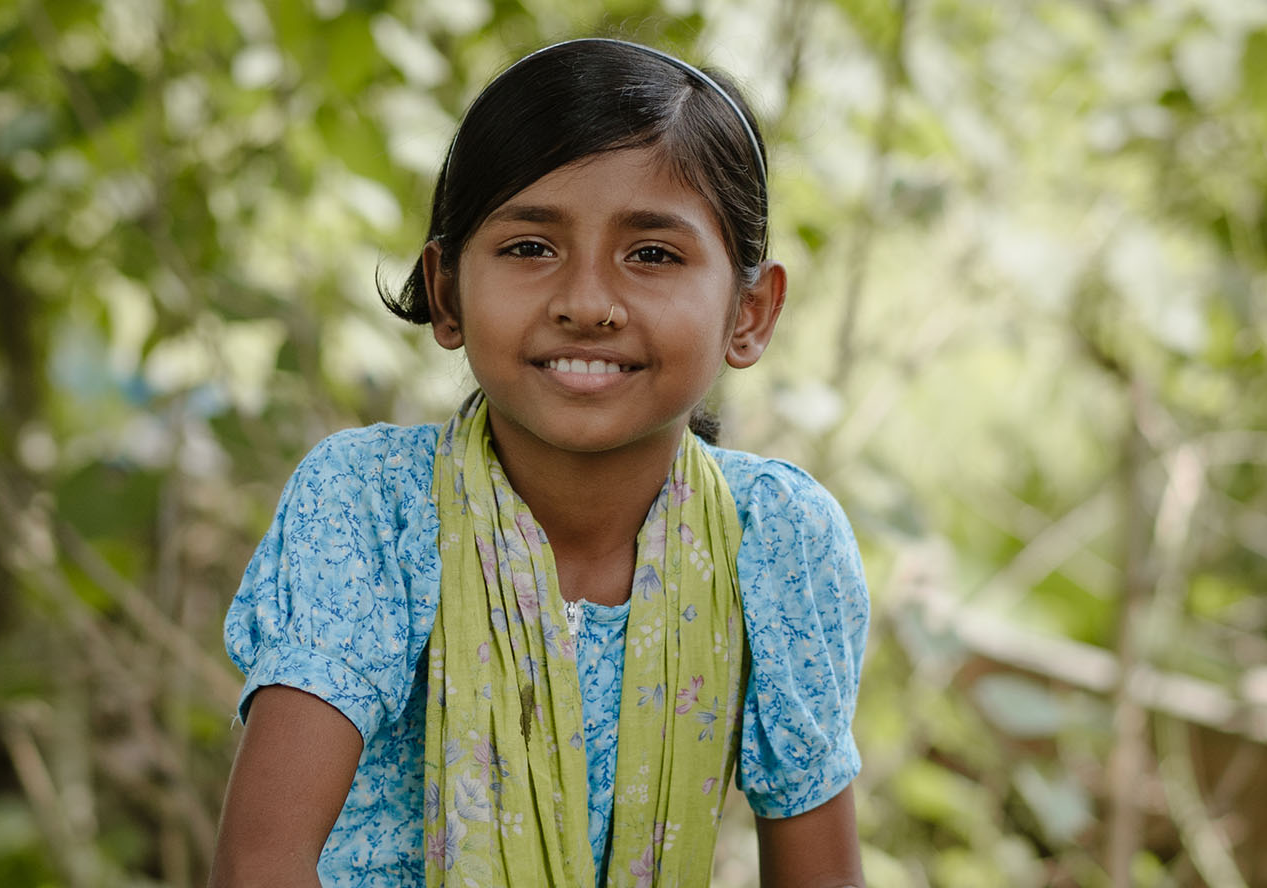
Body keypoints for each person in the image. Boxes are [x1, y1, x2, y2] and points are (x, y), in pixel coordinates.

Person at [210, 37, 870, 888]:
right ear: (445, 291)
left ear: (749, 312)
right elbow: (259, 865)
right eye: (530, 247)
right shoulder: (373, 506)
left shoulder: (776, 538)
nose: (587, 303)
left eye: (653, 255)